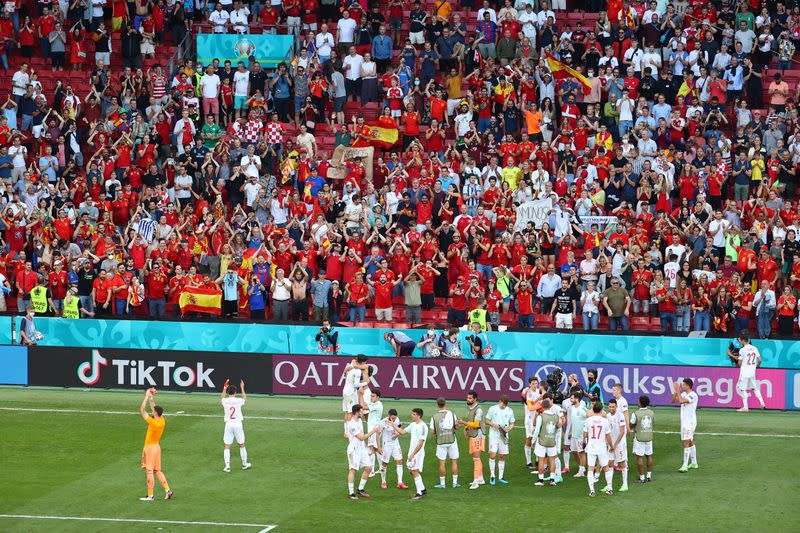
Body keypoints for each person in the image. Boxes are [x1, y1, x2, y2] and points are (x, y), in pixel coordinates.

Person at [138, 388, 172, 501]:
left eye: (153, 411)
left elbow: (142, 410)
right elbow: (154, 407)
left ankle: (150, 495)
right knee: (158, 470)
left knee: (149, 471)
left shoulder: (153, 423)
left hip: (150, 448)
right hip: (157, 447)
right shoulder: (162, 420)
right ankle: (168, 490)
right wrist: (151, 397)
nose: (152, 411)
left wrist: (146, 397)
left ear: (156, 413)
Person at [389, 407, 428, 500]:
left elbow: (421, 442)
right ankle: (422, 489)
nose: (411, 415)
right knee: (412, 471)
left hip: (417, 453)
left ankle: (419, 493)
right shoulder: (413, 425)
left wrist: (413, 454)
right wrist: (393, 425)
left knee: (414, 471)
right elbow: (402, 432)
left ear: (418, 416)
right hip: (412, 452)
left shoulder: (423, 427)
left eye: (413, 414)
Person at [345, 404, 379, 500]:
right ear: (356, 412)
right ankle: (351, 493)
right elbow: (361, 437)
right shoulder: (351, 424)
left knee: (368, 468)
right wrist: (373, 431)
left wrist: (366, 447)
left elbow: (362, 437)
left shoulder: (359, 421)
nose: (363, 413)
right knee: (353, 470)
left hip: (361, 449)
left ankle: (360, 489)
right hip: (354, 450)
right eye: (361, 411)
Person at [583, 401, 614, 497]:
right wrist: (612, 446)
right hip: (601, 447)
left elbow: (585, 434)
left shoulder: (588, 420)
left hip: (591, 446)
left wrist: (585, 442)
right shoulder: (605, 421)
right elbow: (608, 435)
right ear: (601, 410)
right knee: (605, 467)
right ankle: (609, 488)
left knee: (590, 468)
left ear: (593, 410)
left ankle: (592, 490)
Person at [221, 379, 251, 472]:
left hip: (229, 424)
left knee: (227, 446)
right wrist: (242, 387)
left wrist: (224, 387)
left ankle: (227, 467)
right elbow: (244, 398)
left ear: (228, 393)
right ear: (235, 392)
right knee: (241, 444)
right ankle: (244, 464)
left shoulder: (225, 401)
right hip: (238, 424)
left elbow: (222, 397)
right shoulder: (238, 400)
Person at [457, 390, 485, 490]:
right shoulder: (470, 408)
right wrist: (466, 428)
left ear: (475, 399)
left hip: (478, 435)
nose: (468, 399)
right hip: (473, 434)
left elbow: (476, 424)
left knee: (476, 458)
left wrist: (463, 423)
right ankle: (480, 478)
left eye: (470, 398)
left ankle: (476, 481)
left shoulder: (478, 410)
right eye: (467, 397)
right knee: (475, 458)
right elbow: (471, 421)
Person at [484, 394, 515, 485]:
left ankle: (500, 477)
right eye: (503, 404)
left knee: (502, 456)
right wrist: (493, 424)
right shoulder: (492, 408)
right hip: (493, 435)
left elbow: (512, 422)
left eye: (505, 405)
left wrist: (509, 428)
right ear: (500, 401)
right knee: (492, 455)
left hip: (504, 436)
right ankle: (492, 476)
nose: (504, 406)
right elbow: (486, 420)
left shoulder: (510, 411)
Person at [732, 331, 766, 412]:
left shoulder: (742, 350)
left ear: (741, 340)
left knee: (740, 388)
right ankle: (762, 403)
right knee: (755, 388)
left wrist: (739, 361)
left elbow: (740, 363)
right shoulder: (755, 348)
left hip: (744, 372)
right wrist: (756, 366)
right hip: (752, 372)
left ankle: (745, 407)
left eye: (739, 339)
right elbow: (760, 360)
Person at [430, 397, 459, 488]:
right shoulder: (452, 414)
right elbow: (457, 427)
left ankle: (442, 484)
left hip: (441, 442)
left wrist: (439, 431)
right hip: (452, 440)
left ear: (437, 405)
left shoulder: (434, 416)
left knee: (442, 463)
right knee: (454, 461)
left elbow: (432, 432)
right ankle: (454, 483)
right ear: (445, 404)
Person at [532, 398, 562, 487]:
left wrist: (533, 441)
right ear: (550, 406)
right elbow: (558, 427)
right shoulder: (556, 417)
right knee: (552, 460)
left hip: (542, 441)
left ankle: (541, 480)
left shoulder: (540, 417)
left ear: (542, 407)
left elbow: (537, 430)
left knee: (541, 460)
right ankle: (552, 480)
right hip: (552, 441)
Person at [671, 378, 699, 473]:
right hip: (684, 422)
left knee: (686, 442)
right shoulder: (683, 394)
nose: (682, 386)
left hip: (690, 422)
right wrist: (675, 392)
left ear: (688, 386)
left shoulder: (693, 395)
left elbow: (682, 401)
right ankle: (694, 463)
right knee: (689, 441)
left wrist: (678, 390)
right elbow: (672, 401)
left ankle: (685, 465)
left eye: (683, 385)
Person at [378, 408, 408, 490]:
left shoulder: (397, 420)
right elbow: (378, 434)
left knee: (400, 461)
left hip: (395, 443)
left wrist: (396, 434)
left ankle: (400, 482)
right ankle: (383, 481)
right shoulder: (382, 422)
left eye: (395, 418)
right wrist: (379, 446)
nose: (394, 419)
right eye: (392, 418)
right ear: (389, 416)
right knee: (385, 463)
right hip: (386, 444)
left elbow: (398, 429)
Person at [630, 394, 655, 483]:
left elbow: (631, 424)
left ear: (640, 402)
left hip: (639, 437)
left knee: (639, 457)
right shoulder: (651, 412)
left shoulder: (635, 413)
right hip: (649, 437)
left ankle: (642, 477)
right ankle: (649, 476)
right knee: (649, 456)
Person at [606, 398, 628, 492]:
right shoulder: (607, 416)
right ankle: (609, 485)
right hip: (611, 444)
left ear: (616, 406)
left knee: (622, 463)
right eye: (610, 406)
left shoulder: (620, 416)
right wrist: (609, 443)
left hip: (618, 444)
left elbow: (622, 432)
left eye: (613, 407)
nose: (611, 408)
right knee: (610, 463)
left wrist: (614, 444)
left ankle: (625, 484)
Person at [522, 377, 541, 470]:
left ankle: (537, 460)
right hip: (529, 419)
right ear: (530, 384)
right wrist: (539, 399)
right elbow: (530, 405)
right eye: (533, 383)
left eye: (536, 383)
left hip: (538, 418)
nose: (534, 385)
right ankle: (528, 462)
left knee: (538, 439)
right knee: (529, 439)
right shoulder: (527, 392)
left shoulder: (539, 391)